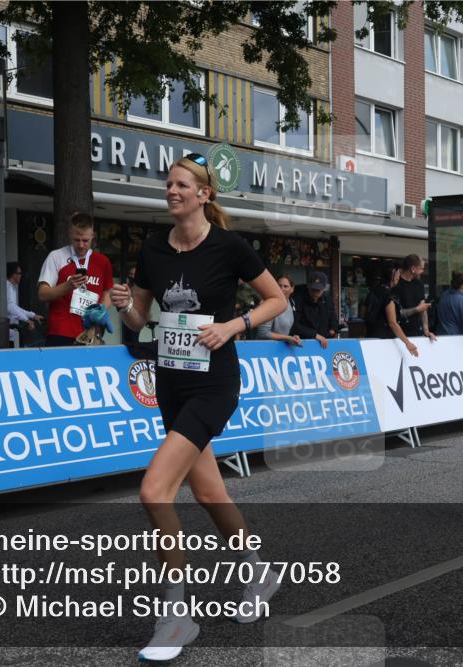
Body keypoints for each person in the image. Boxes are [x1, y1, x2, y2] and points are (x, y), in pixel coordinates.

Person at [109, 153, 286, 663]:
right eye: (168, 184)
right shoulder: (153, 248)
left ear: (204, 194)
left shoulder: (230, 246)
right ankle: (258, 572)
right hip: (172, 382)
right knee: (209, 492)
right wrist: (125, 305)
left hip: (214, 384)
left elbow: (275, 300)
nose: (171, 191)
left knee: (154, 490)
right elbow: (142, 319)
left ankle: (176, 615)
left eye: (181, 185)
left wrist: (234, 326)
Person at [37, 212, 114, 346]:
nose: (81, 245)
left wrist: (101, 310)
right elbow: (42, 294)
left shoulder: (103, 261)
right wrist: (68, 286)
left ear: (92, 236)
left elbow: (108, 292)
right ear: (70, 235)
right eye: (76, 240)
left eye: (85, 240)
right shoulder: (56, 256)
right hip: (61, 331)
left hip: (90, 332)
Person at [392, 254, 435, 341]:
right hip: (399, 335)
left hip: (417, 333)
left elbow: (423, 309)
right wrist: (417, 309)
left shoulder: (419, 284)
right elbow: (396, 313)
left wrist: (426, 330)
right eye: (421, 268)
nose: (423, 271)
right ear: (413, 269)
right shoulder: (396, 285)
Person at [293, 271, 337, 349]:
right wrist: (315, 335)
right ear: (308, 287)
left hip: (325, 342)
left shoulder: (328, 300)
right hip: (304, 343)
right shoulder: (298, 300)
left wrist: (333, 329)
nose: (315, 292)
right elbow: (295, 324)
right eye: (313, 289)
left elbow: (333, 317)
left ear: (324, 288)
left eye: (318, 290)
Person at [256, 274, 300, 346]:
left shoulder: (291, 302)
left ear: (292, 289)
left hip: (281, 348)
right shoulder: (268, 303)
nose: (281, 289)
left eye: (285, 286)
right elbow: (263, 333)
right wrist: (287, 338)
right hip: (264, 348)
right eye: (279, 285)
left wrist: (292, 337)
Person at [364, 263, 400, 340]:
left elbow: (363, 312)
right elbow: (393, 323)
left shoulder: (373, 291)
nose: (398, 277)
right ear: (392, 277)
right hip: (384, 336)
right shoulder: (387, 295)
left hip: (370, 334)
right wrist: (407, 342)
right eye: (397, 275)